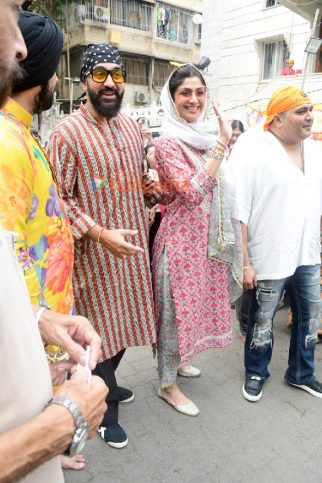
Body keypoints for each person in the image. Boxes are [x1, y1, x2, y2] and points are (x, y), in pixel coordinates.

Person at [0, 3, 107, 482]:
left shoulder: (19, 132)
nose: (59, 83)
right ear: (40, 74)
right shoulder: (6, 140)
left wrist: (42, 318)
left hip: (37, 315)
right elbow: (10, 246)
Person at [48, 43, 157, 449]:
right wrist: (98, 233)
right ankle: (104, 409)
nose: (110, 83)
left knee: (125, 327)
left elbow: (140, 177)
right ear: (84, 82)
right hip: (92, 257)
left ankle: (106, 382)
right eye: (100, 75)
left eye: (117, 75)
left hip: (131, 253)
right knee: (98, 334)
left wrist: (150, 186)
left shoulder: (130, 127)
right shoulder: (66, 134)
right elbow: (58, 200)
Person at [152, 64, 241, 416]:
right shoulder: (167, 143)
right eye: (185, 93)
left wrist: (217, 144)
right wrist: (221, 143)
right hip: (177, 247)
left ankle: (180, 359)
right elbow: (191, 192)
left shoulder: (201, 138)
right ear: (172, 99)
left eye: (200, 92)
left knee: (192, 310)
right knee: (174, 314)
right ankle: (166, 384)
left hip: (202, 246)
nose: (194, 99)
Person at [230, 85, 322, 402]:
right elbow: (238, 210)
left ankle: (301, 373)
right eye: (301, 111)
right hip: (269, 256)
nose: (310, 116)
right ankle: (256, 372)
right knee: (262, 320)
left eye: (310, 109)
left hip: (307, 254)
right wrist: (245, 262)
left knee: (310, 317)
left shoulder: (316, 151)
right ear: (278, 119)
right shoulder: (254, 150)